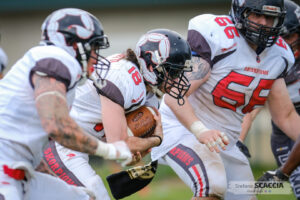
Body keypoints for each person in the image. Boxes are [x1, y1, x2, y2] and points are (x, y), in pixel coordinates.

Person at [151, 0, 299, 199]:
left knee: (243, 195)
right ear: (240, 12)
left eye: (270, 17)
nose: (264, 23)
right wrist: (200, 130)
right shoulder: (217, 36)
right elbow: (174, 94)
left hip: (224, 141)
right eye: (256, 15)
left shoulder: (279, 55)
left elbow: (286, 115)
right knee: (211, 186)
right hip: (182, 128)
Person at [0, 8, 143, 200]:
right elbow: (56, 126)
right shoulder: (58, 60)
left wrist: (48, 175)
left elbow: (33, 137)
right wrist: (109, 150)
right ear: (73, 45)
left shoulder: (59, 70)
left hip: (18, 169)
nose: (96, 55)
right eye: (93, 47)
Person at [41, 28, 193, 200]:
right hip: (55, 138)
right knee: (94, 194)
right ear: (152, 65)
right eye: (172, 72)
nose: (176, 79)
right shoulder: (123, 78)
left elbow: (124, 156)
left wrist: (137, 150)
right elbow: (118, 145)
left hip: (74, 143)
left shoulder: (148, 95)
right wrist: (155, 140)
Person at [256, 0, 300, 198]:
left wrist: (282, 173)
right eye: (279, 38)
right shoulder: (270, 59)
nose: (284, 44)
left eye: (289, 36)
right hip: (283, 128)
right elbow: (255, 102)